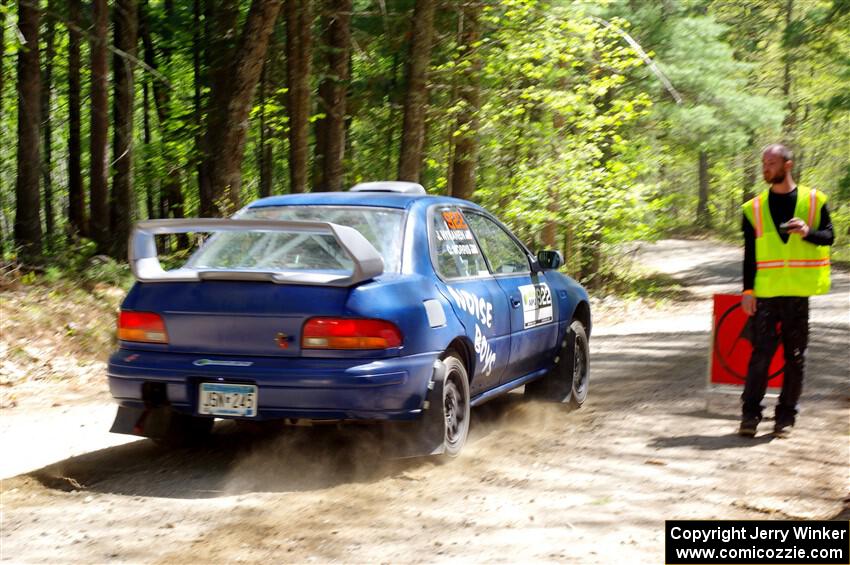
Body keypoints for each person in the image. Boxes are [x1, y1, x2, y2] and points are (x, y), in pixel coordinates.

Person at [738, 144, 834, 438]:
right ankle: (750, 415)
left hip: (797, 293)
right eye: (763, 162)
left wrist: (807, 232)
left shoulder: (814, 200)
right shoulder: (753, 208)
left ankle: (785, 417)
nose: (765, 167)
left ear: (788, 165)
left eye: (771, 162)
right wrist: (747, 291)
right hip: (765, 294)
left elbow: (829, 237)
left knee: (795, 356)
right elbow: (750, 254)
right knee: (760, 356)